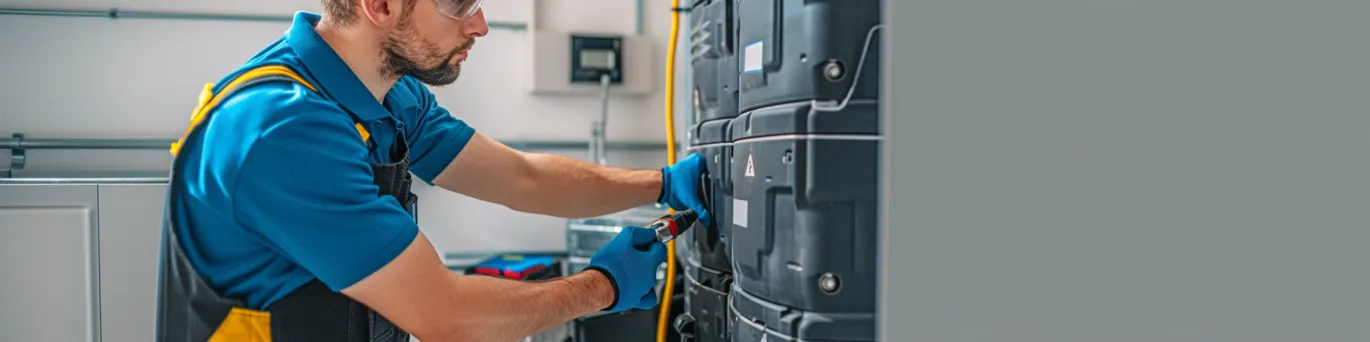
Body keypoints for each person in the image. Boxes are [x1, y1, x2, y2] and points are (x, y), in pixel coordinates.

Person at [154, 0, 712, 341]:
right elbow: (445, 319)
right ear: (380, 4)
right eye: (458, 2)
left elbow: (522, 179)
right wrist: (603, 288)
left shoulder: (388, 96)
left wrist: (660, 183)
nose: (482, 24)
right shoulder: (281, 130)